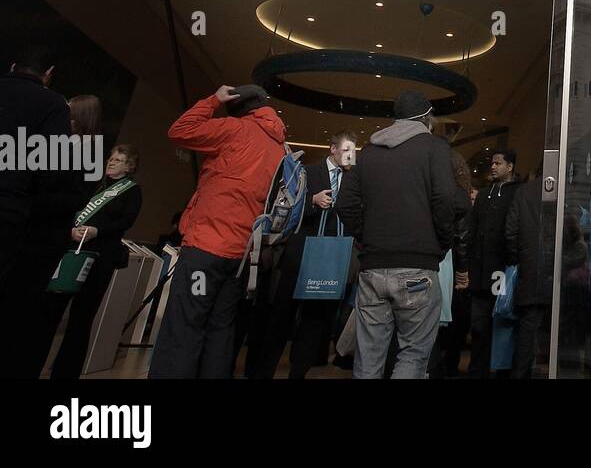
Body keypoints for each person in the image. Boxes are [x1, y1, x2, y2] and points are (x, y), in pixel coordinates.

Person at [147, 85, 286, 379]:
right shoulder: (279, 148)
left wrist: (212, 100)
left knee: (186, 324)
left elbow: (179, 131)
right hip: (241, 256)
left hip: (206, 250)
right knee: (221, 329)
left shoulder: (234, 129)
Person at [336, 90, 456, 379]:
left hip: (373, 269)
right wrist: (440, 242)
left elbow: (345, 203)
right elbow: (445, 200)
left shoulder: (369, 153)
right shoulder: (435, 148)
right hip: (418, 267)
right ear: (427, 118)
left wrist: (368, 237)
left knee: (368, 357)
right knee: (413, 354)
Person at [0, 45, 84, 379]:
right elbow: (53, 168)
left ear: (13, 65)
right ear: (48, 74)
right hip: (10, 208)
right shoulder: (50, 103)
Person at [249, 130, 357, 379]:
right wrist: (311, 200)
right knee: (281, 318)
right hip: (300, 256)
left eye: (353, 153)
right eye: (346, 151)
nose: (350, 157)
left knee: (314, 322)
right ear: (333, 149)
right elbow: (285, 207)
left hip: (329, 260)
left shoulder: (353, 182)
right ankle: (262, 372)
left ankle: (298, 373)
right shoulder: (307, 172)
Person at [38, 145, 144, 378]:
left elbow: (126, 221)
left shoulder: (131, 191)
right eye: (111, 158)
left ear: (129, 167)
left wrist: (97, 231)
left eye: (119, 160)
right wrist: (70, 231)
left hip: (100, 259)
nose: (112, 162)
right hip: (70, 252)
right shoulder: (94, 183)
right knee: (49, 312)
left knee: (81, 319)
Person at [466, 146, 519, 378]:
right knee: (478, 323)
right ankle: (477, 370)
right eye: (493, 163)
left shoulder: (517, 193)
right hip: (479, 272)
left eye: (499, 163)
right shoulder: (485, 195)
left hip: (501, 271)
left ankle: (500, 370)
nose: (494, 167)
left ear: (510, 166)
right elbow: (472, 228)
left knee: (499, 319)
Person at [505, 161, 549, 378]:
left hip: (530, 273)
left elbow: (510, 231)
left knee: (526, 336)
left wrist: (518, 259)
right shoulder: (564, 192)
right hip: (561, 278)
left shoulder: (523, 192)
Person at [430, 150, 473, 377]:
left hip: (425, 260)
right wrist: (463, 270)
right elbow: (461, 236)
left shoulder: (428, 191)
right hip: (446, 262)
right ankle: (438, 369)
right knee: (439, 323)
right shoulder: (457, 197)